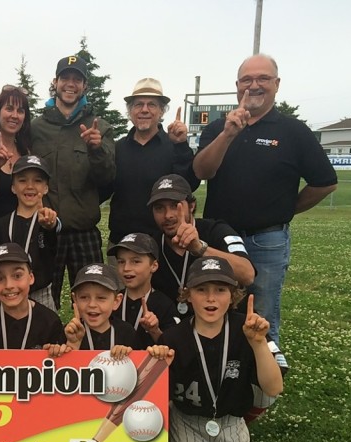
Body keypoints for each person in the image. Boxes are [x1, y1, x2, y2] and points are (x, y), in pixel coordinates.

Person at [193, 54, 338, 345]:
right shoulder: (218, 128)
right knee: (214, 309)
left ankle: (264, 373)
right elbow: (202, 171)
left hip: (266, 241)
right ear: (237, 85)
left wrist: (286, 209)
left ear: (277, 84)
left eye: (263, 78)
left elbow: (325, 182)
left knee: (262, 315)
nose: (254, 85)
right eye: (247, 79)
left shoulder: (293, 131)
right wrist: (228, 135)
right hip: (221, 238)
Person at [147, 256, 286, 442]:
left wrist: (258, 343)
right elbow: (155, 399)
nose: (211, 298)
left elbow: (274, 387)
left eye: (220, 290)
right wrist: (158, 362)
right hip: (189, 425)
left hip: (231, 427)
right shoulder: (174, 337)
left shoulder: (247, 330)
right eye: (201, 290)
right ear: (188, 295)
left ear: (233, 295)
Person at [31, 54, 115, 310]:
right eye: (65, 78)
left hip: (84, 231)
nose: (70, 84)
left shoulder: (100, 127)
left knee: (94, 301)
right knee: (42, 301)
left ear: (85, 85)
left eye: (77, 79)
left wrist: (96, 150)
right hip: (46, 230)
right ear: (55, 82)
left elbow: (108, 179)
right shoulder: (36, 128)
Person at [102, 77, 200, 244]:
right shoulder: (117, 148)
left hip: (164, 243)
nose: (144, 110)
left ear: (161, 111)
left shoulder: (174, 146)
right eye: (138, 104)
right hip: (122, 242)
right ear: (130, 111)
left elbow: (190, 185)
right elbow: (103, 188)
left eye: (152, 105)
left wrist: (181, 145)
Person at [147, 174, 254, 314]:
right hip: (174, 325)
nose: (168, 215)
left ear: (191, 206)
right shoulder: (151, 245)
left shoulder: (216, 231)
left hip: (225, 322)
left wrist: (199, 248)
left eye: (175, 206)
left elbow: (248, 275)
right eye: (159, 208)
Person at [0, 155, 59, 311]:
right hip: (7, 297)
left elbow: (54, 231)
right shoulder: (0, 226)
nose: (30, 186)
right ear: (13, 187)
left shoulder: (48, 222)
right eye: (22, 180)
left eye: (37, 181)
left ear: (46, 188)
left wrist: (51, 225)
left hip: (41, 297)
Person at [0, 242, 65, 350]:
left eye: (17, 276)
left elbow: (58, 357)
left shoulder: (49, 321)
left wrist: (55, 352)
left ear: (31, 277)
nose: (9, 285)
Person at [107, 232, 179, 347]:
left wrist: (154, 330)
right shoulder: (111, 303)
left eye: (135, 261)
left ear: (153, 266)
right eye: (121, 262)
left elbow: (174, 348)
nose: (126, 268)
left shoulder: (164, 305)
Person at [0, 85, 34, 241]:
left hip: (20, 236)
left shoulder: (26, 153)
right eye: (9, 109)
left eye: (20, 111)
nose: (14, 116)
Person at [61, 263, 139, 357]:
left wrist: (126, 355)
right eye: (84, 297)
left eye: (101, 298)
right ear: (75, 299)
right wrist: (72, 345)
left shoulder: (127, 332)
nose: (92, 304)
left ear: (116, 301)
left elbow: (139, 363)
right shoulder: (67, 333)